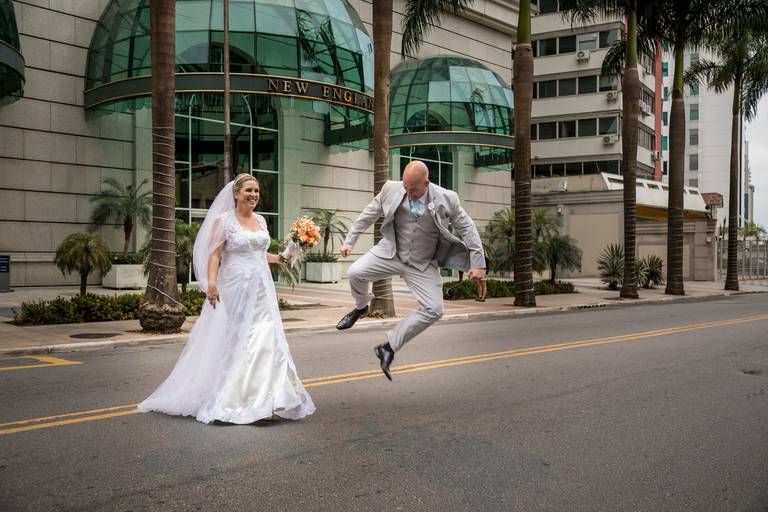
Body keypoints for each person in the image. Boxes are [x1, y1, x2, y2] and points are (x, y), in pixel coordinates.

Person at [138, 173, 315, 424]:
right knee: (235, 338)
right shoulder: (225, 221)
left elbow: (261, 254)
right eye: (249, 190)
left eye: (256, 191)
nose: (253, 195)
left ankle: (267, 398)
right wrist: (211, 283)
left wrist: (283, 257)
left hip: (262, 289)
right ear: (236, 193)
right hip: (234, 287)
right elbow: (214, 255)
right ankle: (231, 398)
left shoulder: (262, 220)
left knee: (265, 337)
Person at [336, 161, 485, 380]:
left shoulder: (447, 198)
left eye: (413, 189)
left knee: (434, 309)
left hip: (421, 263)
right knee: (355, 273)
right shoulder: (391, 189)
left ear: (426, 182)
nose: (408, 192)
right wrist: (350, 242)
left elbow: (467, 227)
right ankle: (360, 308)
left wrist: (478, 263)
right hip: (391, 252)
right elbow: (367, 215)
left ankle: (388, 347)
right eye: (405, 187)